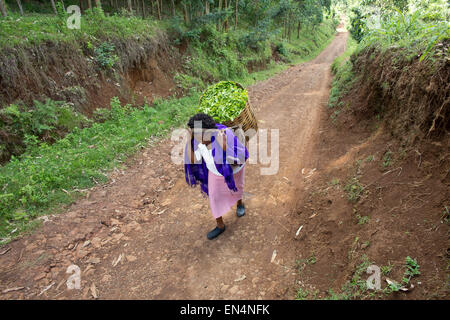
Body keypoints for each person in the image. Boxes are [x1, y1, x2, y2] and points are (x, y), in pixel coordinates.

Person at [184, 113, 249, 240]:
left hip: (234, 170)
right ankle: (220, 225)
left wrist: (224, 146)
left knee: (236, 187)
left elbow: (239, 158)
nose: (198, 139)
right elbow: (192, 160)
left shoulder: (225, 134)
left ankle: (240, 204)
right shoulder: (197, 141)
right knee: (214, 197)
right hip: (214, 171)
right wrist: (188, 141)